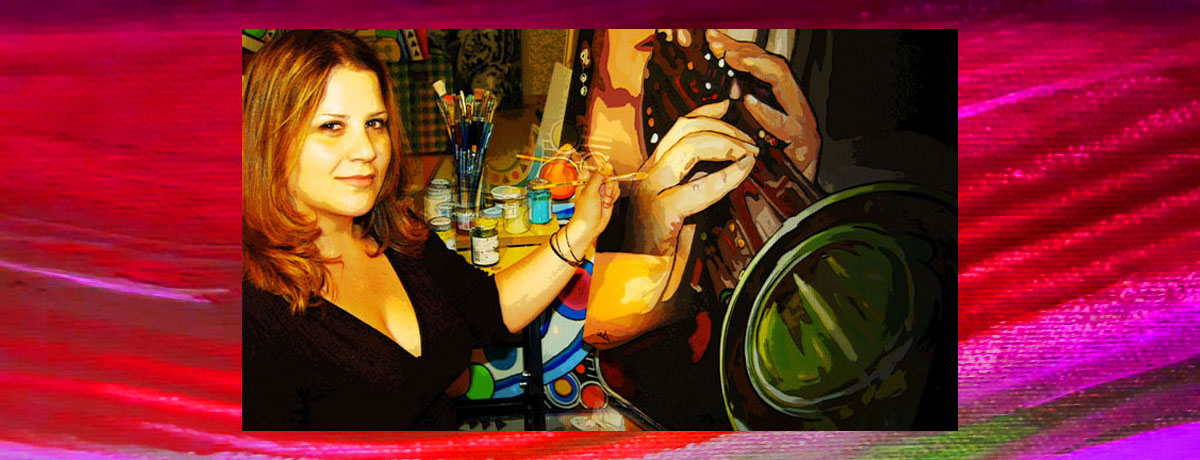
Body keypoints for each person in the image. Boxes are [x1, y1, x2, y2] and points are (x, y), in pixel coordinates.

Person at [241, 30, 618, 430]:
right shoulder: (251, 312)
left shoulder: (398, 237)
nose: (366, 150)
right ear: (271, 139)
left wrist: (581, 229)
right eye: (332, 126)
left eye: (375, 123)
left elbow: (490, 310)